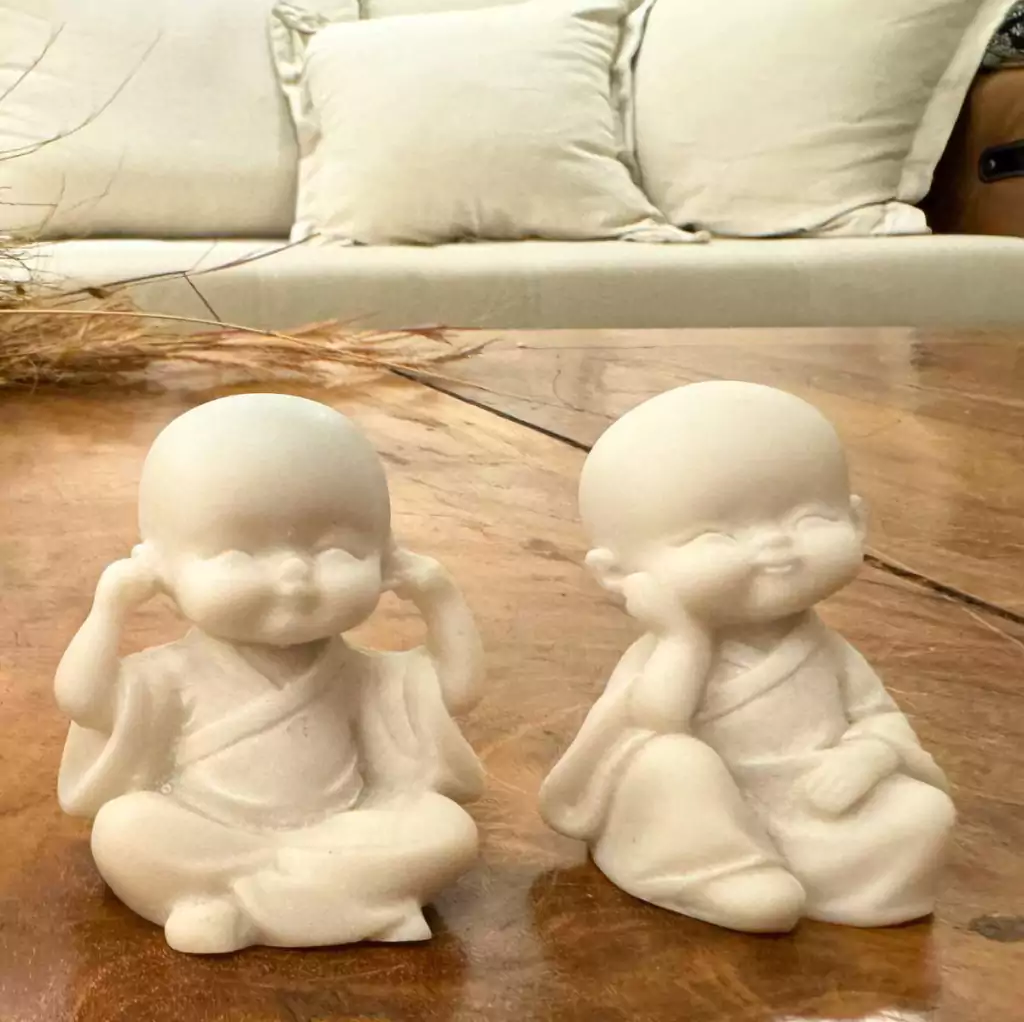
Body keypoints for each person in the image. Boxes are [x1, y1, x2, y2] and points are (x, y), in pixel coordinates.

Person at [55, 394, 484, 953]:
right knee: (125, 827)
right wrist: (110, 607)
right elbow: (85, 701)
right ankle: (360, 901)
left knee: (448, 829)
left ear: (385, 559)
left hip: (340, 827)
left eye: (336, 551)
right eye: (238, 553)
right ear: (161, 568)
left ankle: (233, 906)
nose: (294, 574)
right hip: (209, 831)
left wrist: (438, 597)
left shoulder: (358, 673)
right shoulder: (174, 673)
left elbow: (458, 690)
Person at [540, 382, 955, 932]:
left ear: (857, 521)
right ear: (618, 574)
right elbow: (657, 718)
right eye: (715, 535)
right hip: (701, 813)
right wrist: (681, 639)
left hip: (811, 801)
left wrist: (869, 757)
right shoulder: (672, 647)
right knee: (672, 759)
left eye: (810, 518)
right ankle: (721, 873)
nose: (775, 546)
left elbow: (877, 717)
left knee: (924, 812)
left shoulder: (827, 650)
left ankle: (812, 874)